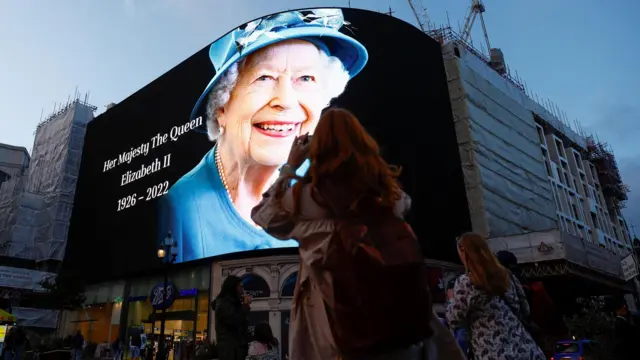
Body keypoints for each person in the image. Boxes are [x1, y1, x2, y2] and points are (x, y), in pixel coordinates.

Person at [158, 8, 369, 262]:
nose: (287, 101)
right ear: (221, 108)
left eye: (305, 78)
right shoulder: (182, 209)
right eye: (264, 77)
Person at [252, 108, 464, 360]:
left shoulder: (309, 201)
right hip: (403, 334)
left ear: (317, 150)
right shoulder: (390, 200)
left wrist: (290, 167)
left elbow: (263, 214)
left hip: (346, 339)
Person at [446, 232, 545, 360]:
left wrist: (451, 299)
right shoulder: (506, 275)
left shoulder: (467, 282)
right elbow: (525, 309)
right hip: (525, 348)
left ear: (463, 251)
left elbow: (453, 319)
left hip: (493, 352)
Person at [214, 275, 252, 360]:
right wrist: (245, 306)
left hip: (235, 350)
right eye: (240, 287)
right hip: (230, 351)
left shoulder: (232, 303)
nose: (242, 290)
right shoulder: (224, 303)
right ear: (233, 287)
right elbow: (234, 320)